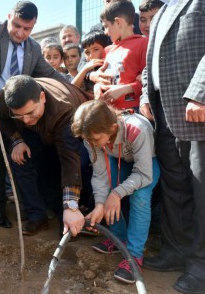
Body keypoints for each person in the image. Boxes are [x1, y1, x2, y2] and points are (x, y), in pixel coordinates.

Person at [139, 0, 205, 293]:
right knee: (176, 190)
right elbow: (152, 60)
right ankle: (177, 251)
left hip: (204, 113)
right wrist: (147, 95)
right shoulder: (165, 5)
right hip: (166, 114)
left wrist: (204, 92)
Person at [0, 1, 69, 229]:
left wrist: (74, 88)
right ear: (9, 17)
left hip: (17, 114)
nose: (20, 33)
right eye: (16, 25)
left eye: (26, 29)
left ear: (34, 26)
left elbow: (48, 73)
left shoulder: (33, 48)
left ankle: (36, 212)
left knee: (24, 160)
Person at [72, 100, 160, 284]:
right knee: (110, 186)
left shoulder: (138, 129)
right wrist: (100, 204)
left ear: (113, 127)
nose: (91, 143)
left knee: (140, 197)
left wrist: (117, 194)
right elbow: (100, 174)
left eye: (95, 140)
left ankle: (134, 255)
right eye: (87, 140)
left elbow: (144, 173)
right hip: (117, 158)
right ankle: (118, 238)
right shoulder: (91, 137)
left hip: (145, 165)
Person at [0, 75, 91, 236]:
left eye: (30, 113)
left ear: (42, 97)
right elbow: (2, 118)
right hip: (37, 130)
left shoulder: (64, 109)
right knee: (20, 160)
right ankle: (37, 216)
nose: (25, 120)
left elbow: (69, 160)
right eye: (18, 115)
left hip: (68, 127)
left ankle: (68, 222)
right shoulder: (6, 99)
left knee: (65, 167)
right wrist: (17, 140)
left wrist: (70, 206)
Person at [95, 0, 148, 111]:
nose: (105, 32)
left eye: (106, 26)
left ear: (118, 22)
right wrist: (98, 86)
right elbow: (101, 77)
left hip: (133, 109)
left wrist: (124, 89)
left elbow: (148, 80)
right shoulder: (108, 50)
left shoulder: (143, 43)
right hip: (110, 111)